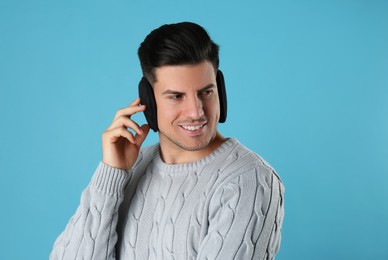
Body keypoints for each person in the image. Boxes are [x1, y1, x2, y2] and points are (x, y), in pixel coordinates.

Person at [50, 22, 284, 260]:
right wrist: (111, 174)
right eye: (176, 96)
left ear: (220, 91)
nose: (196, 112)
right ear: (149, 103)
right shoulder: (130, 168)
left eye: (206, 92)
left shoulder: (248, 180)